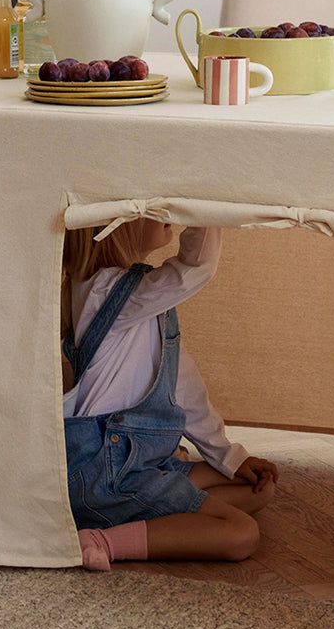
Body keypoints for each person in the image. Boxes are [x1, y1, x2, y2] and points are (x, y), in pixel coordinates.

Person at [62, 218, 278, 571]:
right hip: (106, 476)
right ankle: (101, 540)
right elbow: (197, 266)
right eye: (152, 206)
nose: (168, 211)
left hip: (137, 463)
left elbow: (182, 388)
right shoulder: (104, 290)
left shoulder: (139, 297)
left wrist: (231, 457)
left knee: (257, 488)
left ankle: (152, 518)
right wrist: (202, 202)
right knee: (241, 533)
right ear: (114, 227)